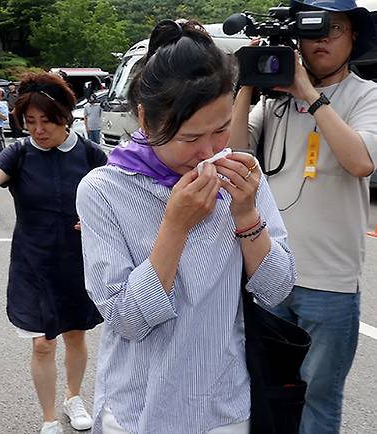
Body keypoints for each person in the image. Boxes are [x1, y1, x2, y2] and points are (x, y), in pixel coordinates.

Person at [76, 20, 296, 434]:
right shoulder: (103, 190)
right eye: (190, 137)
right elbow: (127, 321)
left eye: (221, 129)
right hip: (137, 409)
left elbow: (276, 290)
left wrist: (247, 214)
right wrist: (175, 226)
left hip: (223, 408)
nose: (209, 151)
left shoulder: (243, 176)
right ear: (145, 118)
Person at [228, 1, 377, 433]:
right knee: (266, 390)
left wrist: (310, 96)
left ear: (353, 37)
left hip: (329, 284)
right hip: (271, 273)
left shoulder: (365, 96)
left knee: (319, 400)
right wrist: (247, 86)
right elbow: (236, 154)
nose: (324, 39)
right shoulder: (273, 105)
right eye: (314, 31)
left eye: (336, 28)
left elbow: (361, 161)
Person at [0, 72, 107, 434]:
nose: (38, 129)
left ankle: (73, 396)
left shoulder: (91, 153)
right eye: (30, 121)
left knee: (76, 335)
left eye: (46, 120)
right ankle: (49, 417)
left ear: (65, 115)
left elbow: (116, 196)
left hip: (77, 261)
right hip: (34, 262)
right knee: (43, 343)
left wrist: (98, 222)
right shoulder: (19, 153)